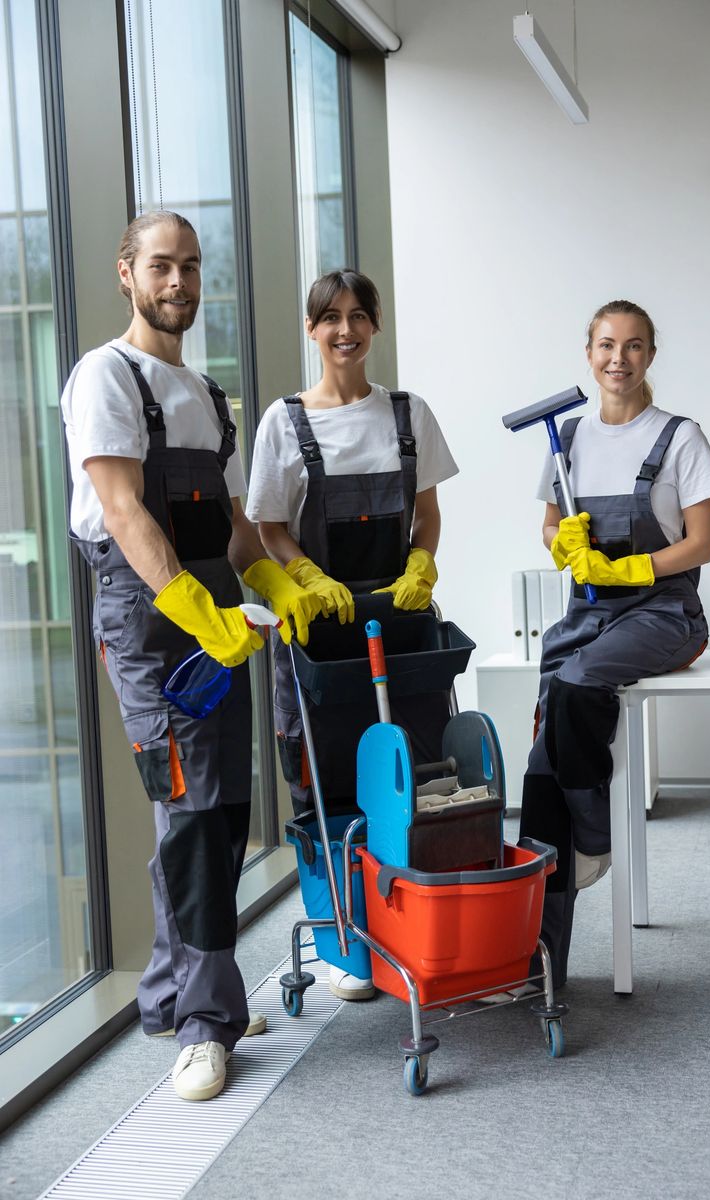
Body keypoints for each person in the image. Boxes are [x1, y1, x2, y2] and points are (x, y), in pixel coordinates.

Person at [60, 210, 321, 1102]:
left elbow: (238, 525)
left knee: (218, 805)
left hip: (215, 606)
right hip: (151, 614)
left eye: (192, 268)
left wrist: (281, 583)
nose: (179, 283)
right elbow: (124, 511)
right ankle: (209, 1024)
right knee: (192, 807)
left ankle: (174, 993)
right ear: (126, 272)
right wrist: (190, 607)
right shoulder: (107, 374)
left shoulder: (209, 396)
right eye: (161, 266)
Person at [246, 268, 458, 1000]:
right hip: (319, 641)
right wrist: (305, 575)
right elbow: (268, 529)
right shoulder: (285, 422)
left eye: (358, 316)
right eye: (330, 317)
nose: (345, 330)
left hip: (399, 629)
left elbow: (426, 513)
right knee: (327, 786)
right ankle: (343, 941)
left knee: (415, 773)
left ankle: (418, 924)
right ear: (312, 330)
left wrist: (424, 559)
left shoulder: (407, 414)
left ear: (375, 327)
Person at [519, 299, 710, 990]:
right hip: (590, 611)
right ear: (588, 354)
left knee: (578, 686)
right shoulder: (567, 439)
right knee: (540, 757)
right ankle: (542, 964)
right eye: (607, 345)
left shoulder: (679, 436)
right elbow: (551, 530)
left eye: (634, 346)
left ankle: (594, 836)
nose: (619, 358)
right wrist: (564, 543)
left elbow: (703, 543)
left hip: (664, 610)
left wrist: (635, 567)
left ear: (650, 356)